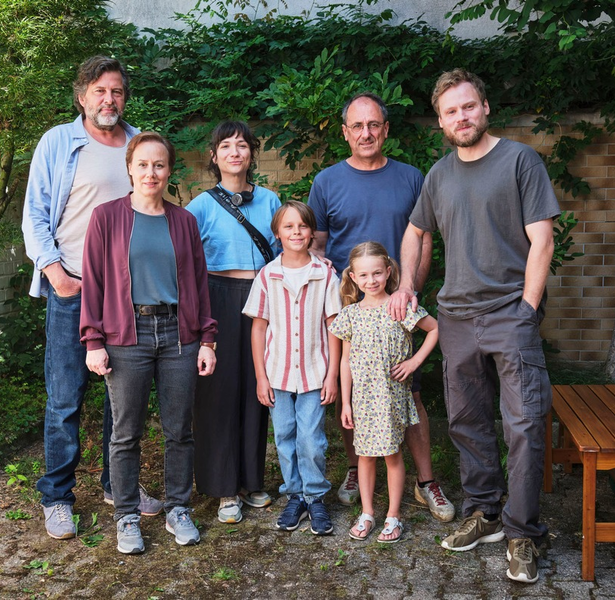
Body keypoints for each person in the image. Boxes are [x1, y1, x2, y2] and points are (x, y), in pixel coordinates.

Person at [390, 68, 560, 583]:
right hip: (457, 317)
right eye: (450, 112)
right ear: (441, 122)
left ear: (484, 107)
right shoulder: (439, 174)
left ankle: (522, 532)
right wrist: (406, 288)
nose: (461, 117)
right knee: (466, 422)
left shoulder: (519, 160)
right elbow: (416, 231)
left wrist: (528, 309)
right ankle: (485, 512)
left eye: (468, 106)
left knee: (525, 425)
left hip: (511, 313)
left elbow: (543, 240)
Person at [21, 56, 160, 541]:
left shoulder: (139, 143)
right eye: (100, 91)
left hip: (127, 295)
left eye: (117, 91)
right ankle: (57, 496)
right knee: (65, 397)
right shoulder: (59, 142)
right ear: (82, 96)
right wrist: (56, 274)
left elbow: (153, 213)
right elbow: (36, 214)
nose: (109, 99)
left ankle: (115, 484)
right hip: (74, 288)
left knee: (123, 398)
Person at [308, 92, 454, 522]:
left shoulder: (411, 178)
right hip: (350, 309)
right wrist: (336, 302)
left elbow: (424, 237)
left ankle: (426, 481)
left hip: (399, 306)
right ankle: (357, 469)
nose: (366, 133)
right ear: (345, 133)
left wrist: (408, 289)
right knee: (352, 390)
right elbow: (318, 246)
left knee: (409, 391)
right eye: (357, 126)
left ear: (385, 130)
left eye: (374, 125)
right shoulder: (327, 181)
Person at [81, 132, 217, 552]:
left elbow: (198, 284)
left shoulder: (184, 221)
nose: (150, 172)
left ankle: (178, 508)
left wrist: (208, 339)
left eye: (159, 165)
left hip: (179, 337)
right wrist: (93, 341)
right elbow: (94, 284)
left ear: (169, 170)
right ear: (129, 168)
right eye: (142, 164)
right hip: (126, 337)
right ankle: (125, 517)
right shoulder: (106, 218)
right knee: (126, 433)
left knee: (179, 430)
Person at [186, 121, 281, 524]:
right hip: (218, 297)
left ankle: (251, 481)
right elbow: (186, 262)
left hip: (262, 299)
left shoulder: (271, 200)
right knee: (219, 392)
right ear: (214, 155)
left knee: (257, 389)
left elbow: (284, 251)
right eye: (226, 146)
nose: (235, 152)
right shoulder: (201, 206)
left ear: (252, 153)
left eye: (242, 145)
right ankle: (224, 489)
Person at [243, 201, 342, 535]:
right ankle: (295, 495)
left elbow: (334, 327)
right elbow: (258, 328)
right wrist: (260, 376)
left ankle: (315, 498)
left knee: (312, 439)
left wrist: (332, 375)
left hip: (315, 372)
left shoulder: (325, 273)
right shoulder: (268, 275)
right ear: (277, 234)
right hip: (278, 373)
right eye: (289, 227)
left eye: (302, 226)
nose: (296, 232)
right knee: (284, 435)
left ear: (312, 232)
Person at [330, 242, 439, 543]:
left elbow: (435, 329)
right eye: (363, 275)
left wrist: (415, 361)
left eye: (377, 273)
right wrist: (346, 403)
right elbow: (344, 362)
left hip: (390, 397)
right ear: (353, 277)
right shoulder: (350, 315)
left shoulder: (399, 307)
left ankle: (393, 516)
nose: (371, 280)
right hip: (362, 400)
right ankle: (367, 513)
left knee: (392, 454)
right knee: (364, 455)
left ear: (389, 271)